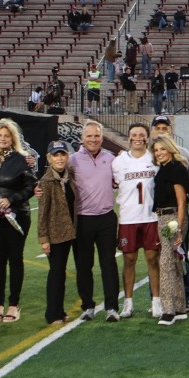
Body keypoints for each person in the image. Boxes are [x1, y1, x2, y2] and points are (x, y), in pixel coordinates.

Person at [0, 119, 38, 323]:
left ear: (12, 138)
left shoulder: (22, 159)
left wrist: (11, 200)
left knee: (15, 258)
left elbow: (30, 186)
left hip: (17, 215)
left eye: (7, 135)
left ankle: (14, 304)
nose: (3, 139)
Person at [70, 120, 121, 321]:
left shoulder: (111, 159)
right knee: (84, 265)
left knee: (108, 263)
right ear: (82, 138)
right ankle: (88, 306)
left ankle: (112, 307)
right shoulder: (72, 160)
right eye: (89, 136)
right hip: (82, 220)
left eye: (97, 136)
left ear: (102, 137)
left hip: (106, 218)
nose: (93, 139)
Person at [113, 122, 159, 319]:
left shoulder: (155, 158)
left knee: (152, 259)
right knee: (129, 259)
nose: (138, 137)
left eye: (142, 134)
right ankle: (128, 303)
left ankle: (156, 301)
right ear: (129, 137)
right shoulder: (119, 161)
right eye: (134, 134)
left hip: (151, 216)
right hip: (128, 217)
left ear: (147, 137)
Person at [150, 134, 189, 323]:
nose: (159, 153)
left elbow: (182, 201)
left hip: (173, 218)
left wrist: (178, 228)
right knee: (174, 263)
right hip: (164, 217)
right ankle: (179, 307)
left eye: (162, 149)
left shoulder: (176, 168)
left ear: (170, 148)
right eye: (156, 150)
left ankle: (168, 310)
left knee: (166, 263)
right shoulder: (164, 168)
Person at [35, 141, 78, 324]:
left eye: (62, 154)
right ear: (48, 158)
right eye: (55, 155)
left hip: (71, 231)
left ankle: (60, 311)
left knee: (60, 273)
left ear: (67, 156)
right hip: (55, 234)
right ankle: (52, 313)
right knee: (56, 273)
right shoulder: (46, 182)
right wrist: (44, 238)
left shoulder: (70, 176)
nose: (59, 158)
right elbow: (42, 213)